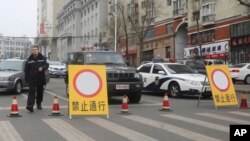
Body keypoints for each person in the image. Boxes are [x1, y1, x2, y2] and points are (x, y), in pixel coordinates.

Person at [25, 46, 49, 112]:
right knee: (31, 92)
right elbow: (26, 70)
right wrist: (26, 79)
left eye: (35, 49)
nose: (34, 51)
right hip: (32, 79)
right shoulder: (29, 59)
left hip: (40, 78)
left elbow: (46, 65)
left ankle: (39, 103)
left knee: (40, 92)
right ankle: (30, 106)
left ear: (38, 50)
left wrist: (42, 68)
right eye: (33, 50)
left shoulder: (42, 58)